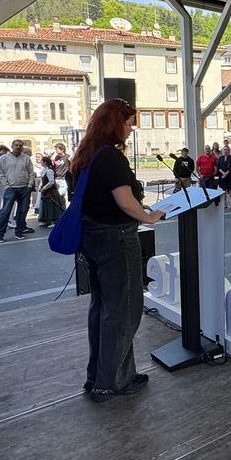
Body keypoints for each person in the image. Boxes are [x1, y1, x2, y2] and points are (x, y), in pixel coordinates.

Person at [69, 98, 165, 403]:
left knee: (103, 308)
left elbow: (106, 198)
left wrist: (139, 206)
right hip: (116, 238)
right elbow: (124, 201)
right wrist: (149, 216)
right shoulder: (111, 157)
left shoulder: (87, 154)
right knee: (124, 309)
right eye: (127, 122)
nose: (130, 128)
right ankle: (109, 382)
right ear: (114, 124)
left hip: (93, 237)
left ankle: (103, 376)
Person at [0, 139, 36, 242]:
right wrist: (7, 186)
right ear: (12, 146)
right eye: (16, 145)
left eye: (20, 145)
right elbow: (1, 173)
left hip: (24, 188)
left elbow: (31, 172)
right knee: (6, 211)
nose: (18, 147)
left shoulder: (26, 158)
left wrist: (29, 185)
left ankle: (19, 232)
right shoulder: (3, 158)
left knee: (22, 211)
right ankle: (0, 234)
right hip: (11, 188)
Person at [38, 156, 66, 228]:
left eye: (41, 161)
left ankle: (54, 221)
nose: (40, 162)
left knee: (52, 206)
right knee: (46, 205)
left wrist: (44, 188)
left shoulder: (49, 171)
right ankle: (46, 220)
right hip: (46, 192)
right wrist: (40, 187)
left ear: (45, 162)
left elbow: (51, 182)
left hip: (51, 192)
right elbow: (43, 180)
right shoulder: (45, 170)